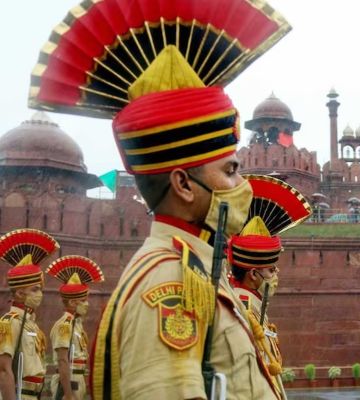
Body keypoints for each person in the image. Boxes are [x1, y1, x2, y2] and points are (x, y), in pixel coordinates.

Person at [29, 1, 295, 398]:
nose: (244, 187)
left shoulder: (199, 272)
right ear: (184, 185)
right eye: (229, 171)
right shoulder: (172, 284)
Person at [229, 216, 289, 399]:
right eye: (271, 270)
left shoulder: (252, 303)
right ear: (253, 274)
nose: (276, 275)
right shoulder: (243, 306)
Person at [0, 229, 59, 400]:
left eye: (40, 289)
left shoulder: (31, 324)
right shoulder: (9, 323)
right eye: (34, 289)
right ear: (19, 293)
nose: (39, 294)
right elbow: (4, 371)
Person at [46, 256, 104, 400]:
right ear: (72, 303)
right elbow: (62, 361)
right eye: (83, 301)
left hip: (77, 380)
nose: (87, 304)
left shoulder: (77, 326)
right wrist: (68, 394)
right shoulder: (64, 325)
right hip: (68, 382)